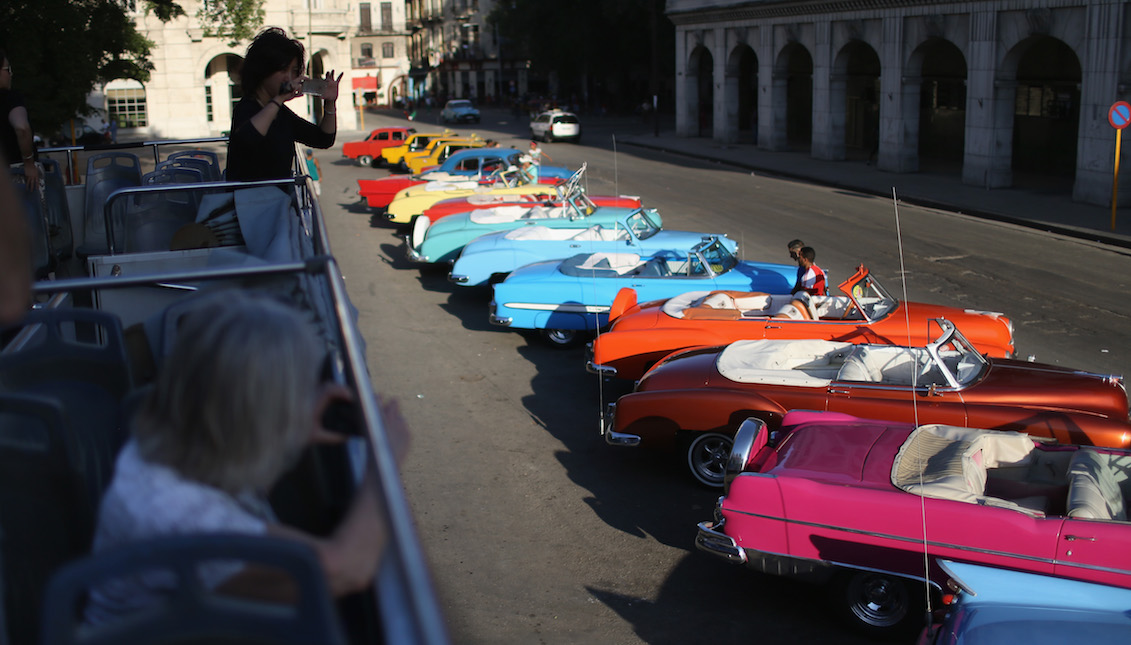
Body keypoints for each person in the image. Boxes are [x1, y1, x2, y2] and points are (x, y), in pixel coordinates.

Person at [86, 292, 407, 621]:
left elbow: (244, 492)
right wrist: (386, 458)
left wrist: (292, 428)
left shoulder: (168, 441)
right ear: (257, 415)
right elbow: (347, 569)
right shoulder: (180, 514)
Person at [225, 28, 343, 182]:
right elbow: (248, 138)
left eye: (293, 71)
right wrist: (279, 99)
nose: (288, 77)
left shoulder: (280, 113)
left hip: (277, 201)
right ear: (262, 71)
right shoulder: (247, 107)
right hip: (248, 201)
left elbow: (323, 139)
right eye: (282, 70)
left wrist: (329, 103)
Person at [0, 49, 40, 193]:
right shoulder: (10, 99)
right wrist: (28, 163)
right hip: (17, 175)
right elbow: (22, 127)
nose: (11, 73)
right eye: (7, 69)